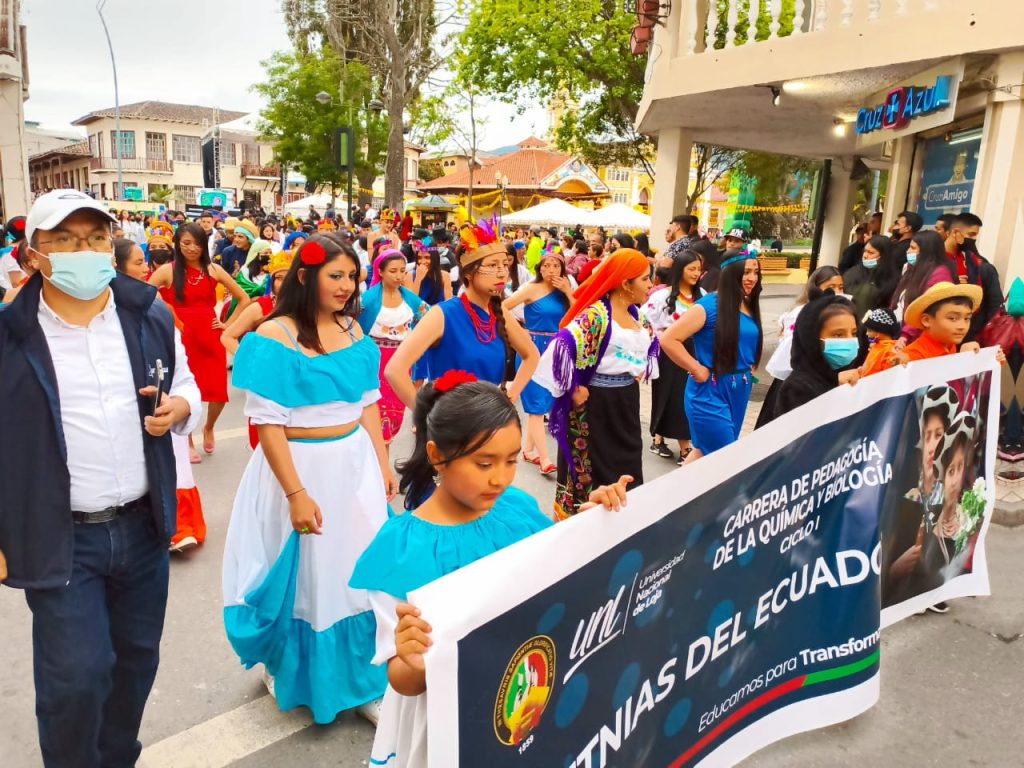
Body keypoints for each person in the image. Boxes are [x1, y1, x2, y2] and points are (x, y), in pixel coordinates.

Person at [0, 189, 200, 766]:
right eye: (63, 240)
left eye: (94, 238)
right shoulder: (12, 337)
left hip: (143, 528)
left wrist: (180, 408)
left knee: (136, 664)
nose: (82, 251)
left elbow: (187, 385)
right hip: (62, 538)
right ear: (34, 255)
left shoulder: (148, 315)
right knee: (77, 678)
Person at [349, 376, 630, 768]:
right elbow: (403, 679)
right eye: (484, 463)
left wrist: (593, 520)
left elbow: (556, 565)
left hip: (524, 700)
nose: (500, 477)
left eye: (512, 460)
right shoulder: (400, 551)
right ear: (436, 455)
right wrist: (411, 659)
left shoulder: (514, 508)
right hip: (448, 726)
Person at [222, 235, 394, 727]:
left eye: (352, 276)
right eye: (335, 275)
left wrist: (381, 463)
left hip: (354, 468)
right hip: (296, 471)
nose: (346, 286)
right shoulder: (274, 335)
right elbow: (268, 424)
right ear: (306, 276)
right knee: (307, 578)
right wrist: (297, 493)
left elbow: (368, 404)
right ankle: (291, 670)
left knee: (358, 574)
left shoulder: (355, 331)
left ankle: (363, 679)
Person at [384, 218, 539, 443]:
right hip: (451, 427)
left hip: (490, 424)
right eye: (493, 266)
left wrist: (510, 397)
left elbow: (531, 355)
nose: (502, 273)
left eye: (505, 265)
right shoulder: (442, 314)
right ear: (468, 273)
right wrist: (427, 417)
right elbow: (394, 370)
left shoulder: (499, 313)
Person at [534, 249, 657, 519]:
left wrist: (636, 368)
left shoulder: (638, 316)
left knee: (627, 464)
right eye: (646, 279)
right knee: (589, 473)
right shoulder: (596, 316)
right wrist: (571, 388)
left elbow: (649, 346)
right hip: (595, 406)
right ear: (626, 283)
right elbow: (560, 347)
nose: (651, 285)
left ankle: (621, 526)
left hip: (625, 402)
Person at [115, 238, 207, 553]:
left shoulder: (156, 313)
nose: (145, 268)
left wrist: (179, 405)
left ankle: (181, 527)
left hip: (164, 400)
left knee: (176, 461)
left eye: (146, 261)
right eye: (138, 262)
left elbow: (184, 381)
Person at [150, 223, 252, 462]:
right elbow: (142, 293)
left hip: (209, 333)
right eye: (186, 243)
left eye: (197, 243)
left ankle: (209, 427)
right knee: (183, 389)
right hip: (180, 335)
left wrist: (228, 324)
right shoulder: (168, 270)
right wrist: (165, 310)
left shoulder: (213, 269)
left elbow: (243, 297)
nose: (192, 248)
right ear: (177, 244)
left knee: (217, 391)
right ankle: (187, 440)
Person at [661, 250, 763, 461]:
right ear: (730, 273)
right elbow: (669, 339)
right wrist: (696, 368)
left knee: (704, 454)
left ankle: (676, 494)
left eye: (756, 272)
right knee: (724, 458)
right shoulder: (709, 306)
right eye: (746, 272)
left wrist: (749, 365)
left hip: (739, 389)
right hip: (710, 393)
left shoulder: (748, 303)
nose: (752, 278)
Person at [503, 248, 575, 474]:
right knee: (536, 407)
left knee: (548, 402)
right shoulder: (531, 289)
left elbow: (579, 315)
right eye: (546, 265)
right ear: (539, 268)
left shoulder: (566, 292)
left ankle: (528, 449)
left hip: (557, 350)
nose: (550, 270)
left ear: (562, 269)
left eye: (555, 265)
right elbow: (503, 307)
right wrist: (518, 333)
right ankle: (545, 459)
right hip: (532, 349)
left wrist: (569, 292)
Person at [758, 266, 845, 427]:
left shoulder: (840, 315)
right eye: (830, 288)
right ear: (816, 288)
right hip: (795, 384)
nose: (837, 292)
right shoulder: (801, 313)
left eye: (841, 287)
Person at [359, 249, 428, 448]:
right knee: (373, 412)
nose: (399, 276)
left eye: (402, 271)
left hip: (400, 362)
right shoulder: (367, 300)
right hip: (373, 361)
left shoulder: (410, 299)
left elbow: (428, 319)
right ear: (380, 272)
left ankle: (383, 465)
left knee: (394, 410)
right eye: (393, 271)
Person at [644, 249, 703, 464]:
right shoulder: (662, 296)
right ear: (680, 270)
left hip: (694, 351)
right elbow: (644, 320)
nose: (696, 273)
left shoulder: (703, 296)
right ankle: (681, 446)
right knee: (668, 396)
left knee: (686, 396)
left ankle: (666, 439)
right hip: (668, 352)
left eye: (699, 269)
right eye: (691, 269)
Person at [773, 294, 861, 418]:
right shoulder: (796, 389)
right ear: (812, 339)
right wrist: (834, 385)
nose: (850, 340)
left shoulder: (849, 376)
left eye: (854, 333)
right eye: (838, 335)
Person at [943, 212, 1003, 341]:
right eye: (971, 235)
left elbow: (991, 302)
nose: (973, 240)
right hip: (943, 331)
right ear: (955, 233)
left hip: (970, 333)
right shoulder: (936, 259)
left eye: (975, 235)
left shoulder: (972, 259)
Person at [890, 230, 957, 342]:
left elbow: (926, 308)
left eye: (913, 248)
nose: (908, 251)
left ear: (926, 250)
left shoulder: (940, 274)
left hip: (917, 338)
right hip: (901, 332)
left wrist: (906, 335)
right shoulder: (913, 269)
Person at [848, 235, 901, 317]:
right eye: (865, 251)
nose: (865, 255)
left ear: (884, 256)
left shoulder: (892, 279)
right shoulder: (853, 272)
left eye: (871, 253)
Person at [858, 307, 901, 377]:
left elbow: (888, 378)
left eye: (869, 330)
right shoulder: (877, 346)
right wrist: (862, 371)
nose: (866, 333)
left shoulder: (890, 352)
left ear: (878, 333)